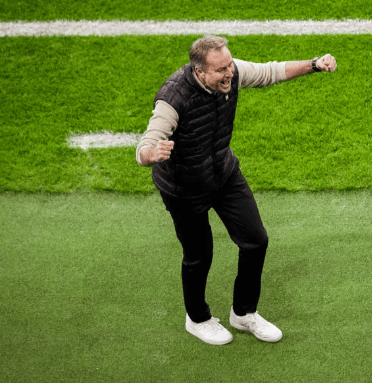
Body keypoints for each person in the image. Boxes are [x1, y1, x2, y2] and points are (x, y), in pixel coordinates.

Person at [136, 35, 337, 345]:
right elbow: (146, 144)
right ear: (200, 71)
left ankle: (243, 313)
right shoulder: (173, 98)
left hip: (223, 174)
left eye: (229, 64)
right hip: (184, 188)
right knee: (199, 256)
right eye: (220, 69)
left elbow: (270, 72)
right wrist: (152, 154)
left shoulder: (231, 73)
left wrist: (313, 65)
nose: (229, 73)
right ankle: (197, 319)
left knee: (256, 241)